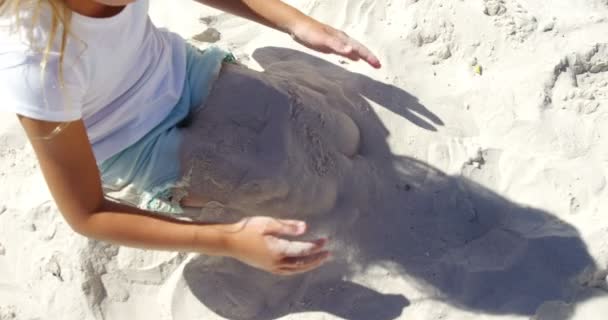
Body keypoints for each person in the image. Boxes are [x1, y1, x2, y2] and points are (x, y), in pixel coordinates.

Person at [0, 0, 381, 275]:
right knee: (303, 190)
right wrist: (229, 240)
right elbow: (86, 214)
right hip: (133, 145)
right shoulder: (35, 62)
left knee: (339, 131)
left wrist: (295, 22)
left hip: (182, 72)